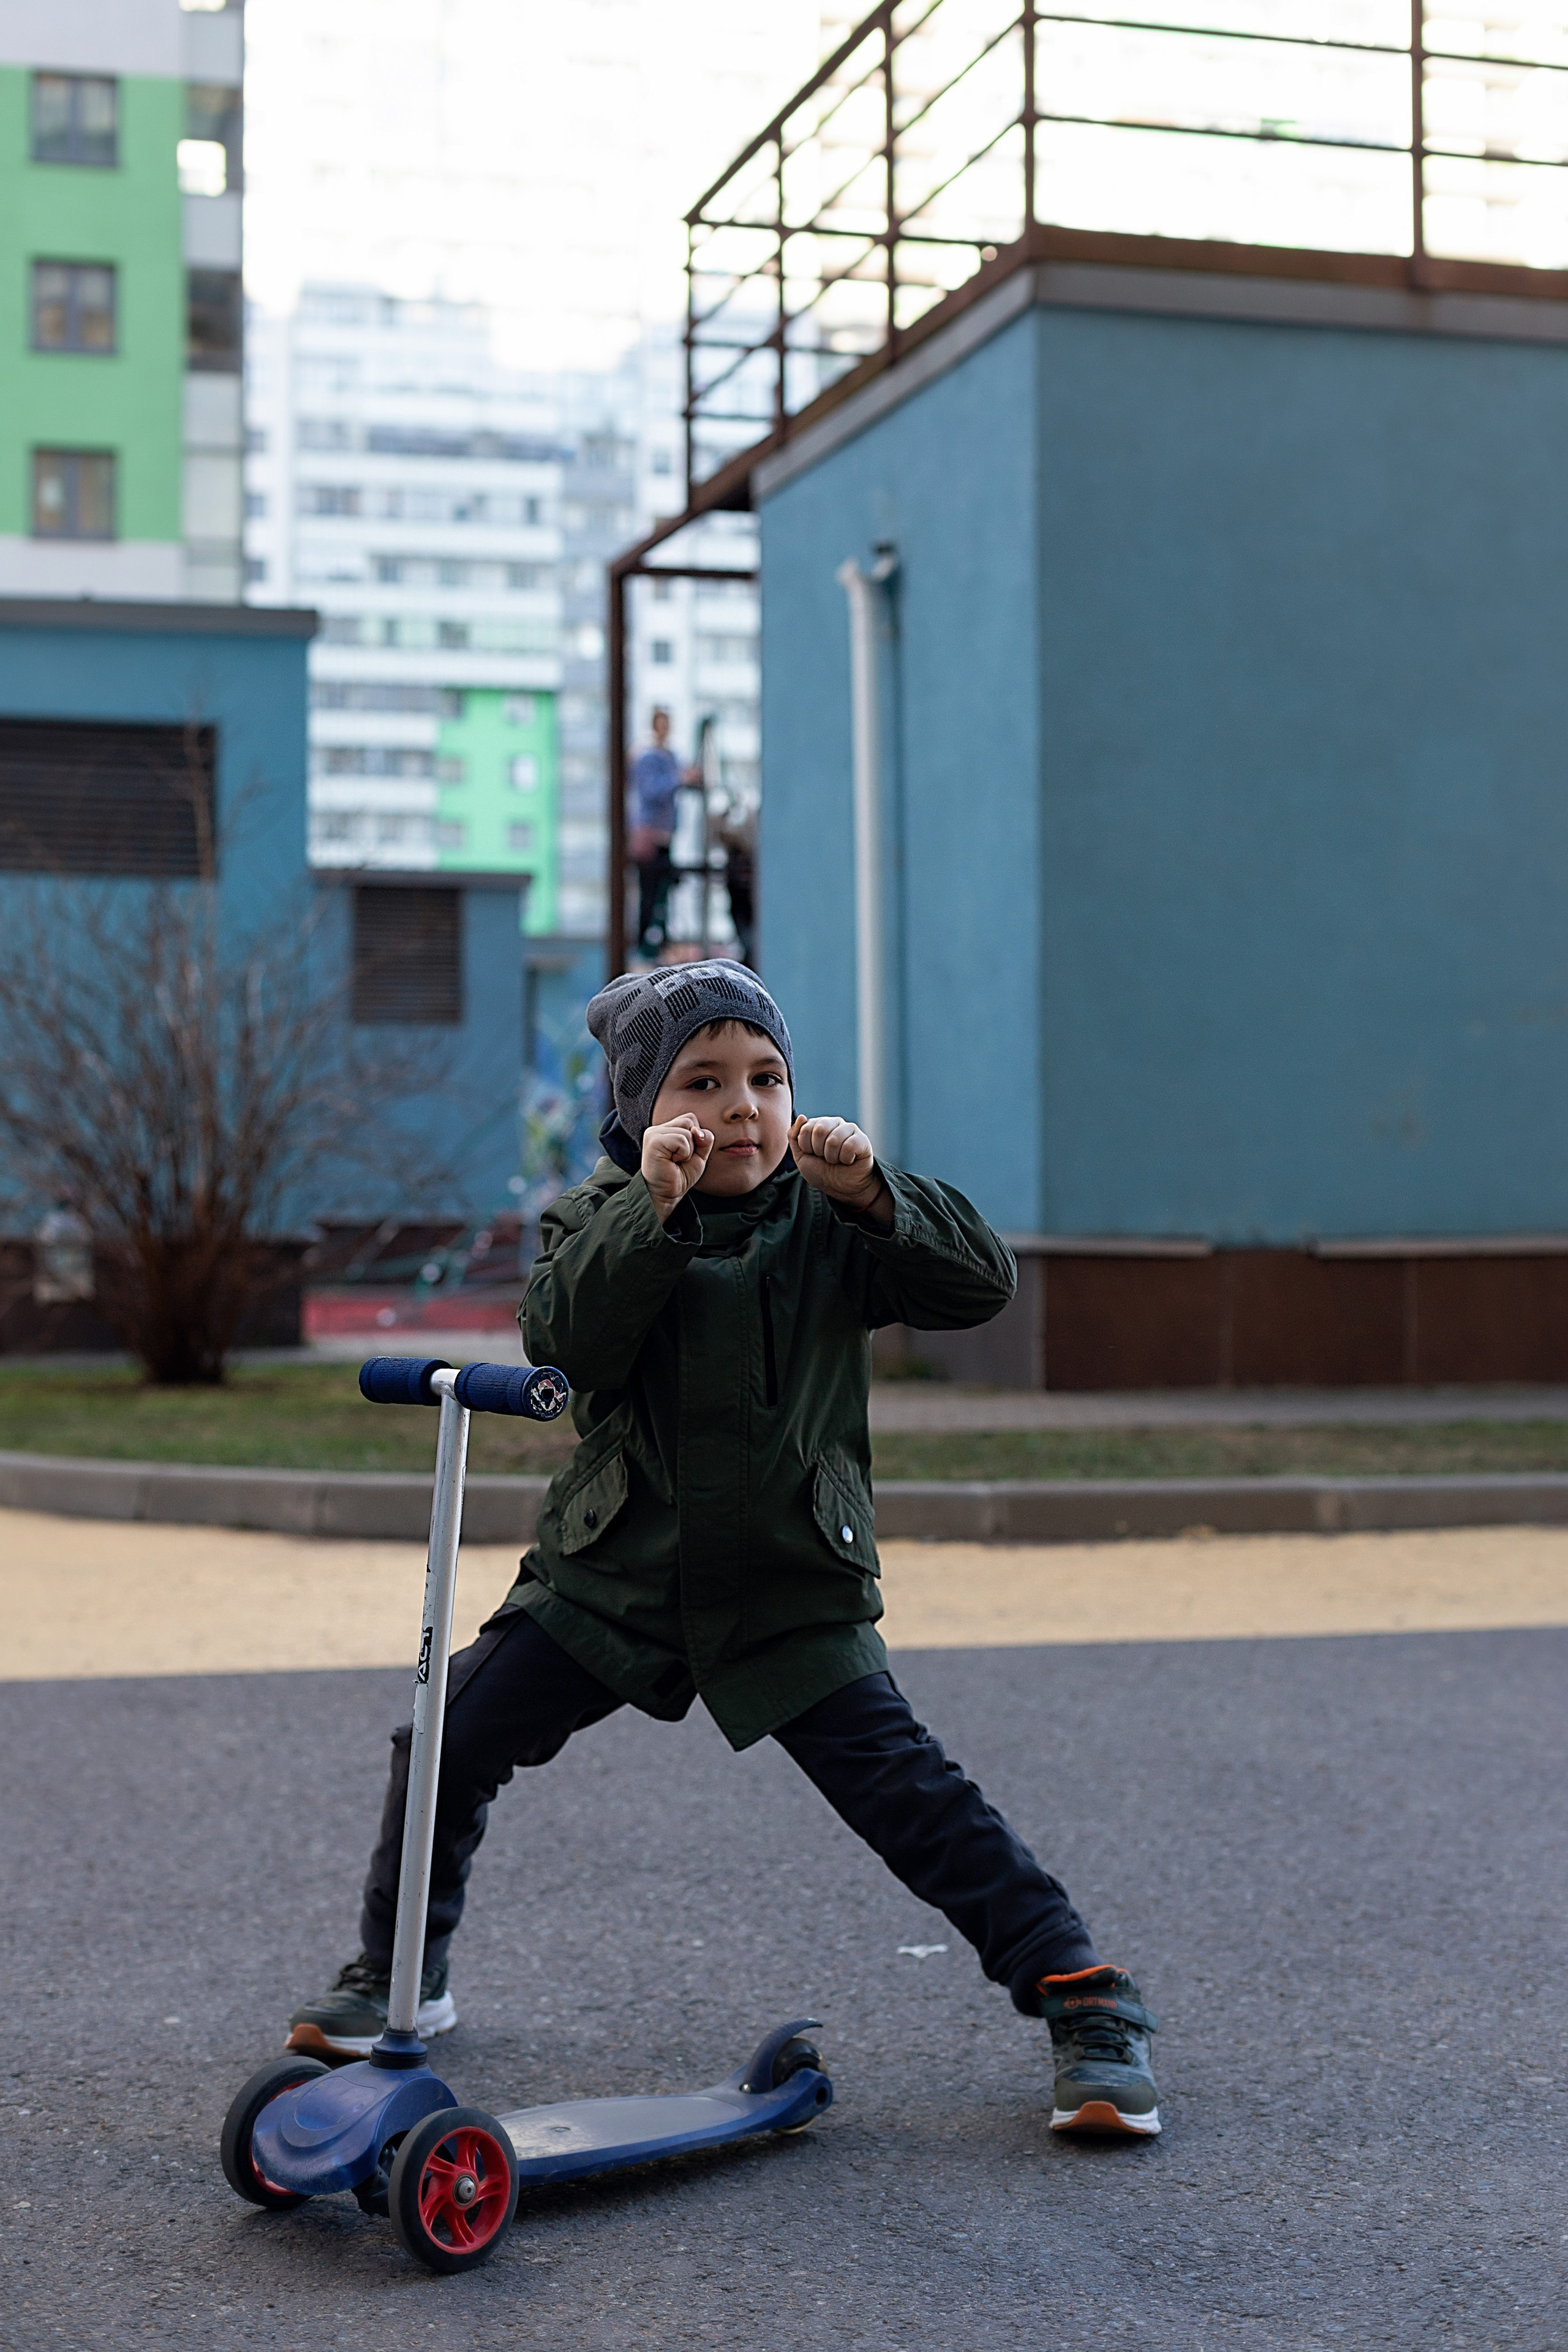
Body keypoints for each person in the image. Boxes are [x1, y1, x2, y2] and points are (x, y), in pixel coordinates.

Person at [285, 959, 1161, 2137]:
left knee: (915, 1799)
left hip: (789, 1582)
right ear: (640, 1113)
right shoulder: (600, 1217)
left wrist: (875, 1196)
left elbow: (979, 1285)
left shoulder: (829, 1220)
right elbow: (569, 1336)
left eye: (767, 1078)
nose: (741, 1107)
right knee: (446, 1735)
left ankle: (1083, 1999)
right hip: (612, 1579)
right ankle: (398, 1975)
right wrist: (649, 1213)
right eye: (702, 1082)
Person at [628, 707, 685, 956]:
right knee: (650, 894)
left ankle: (660, 940)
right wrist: (678, 779)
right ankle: (645, 944)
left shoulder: (670, 757)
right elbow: (651, 791)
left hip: (665, 834)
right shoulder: (648, 758)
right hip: (650, 835)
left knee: (664, 892)